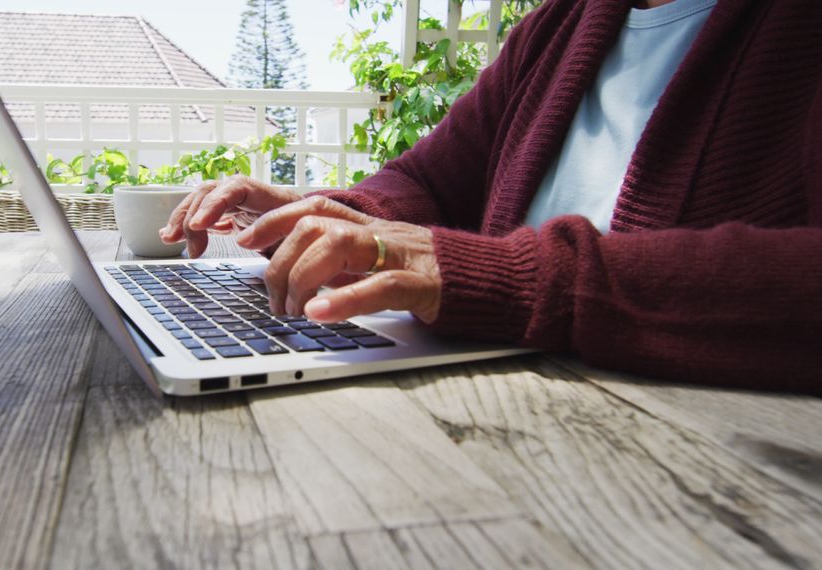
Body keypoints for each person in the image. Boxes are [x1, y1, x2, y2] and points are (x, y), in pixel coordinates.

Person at [160, 0, 822, 393]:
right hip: (495, 411)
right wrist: (336, 218)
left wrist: (521, 280)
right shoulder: (556, 30)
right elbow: (427, 180)